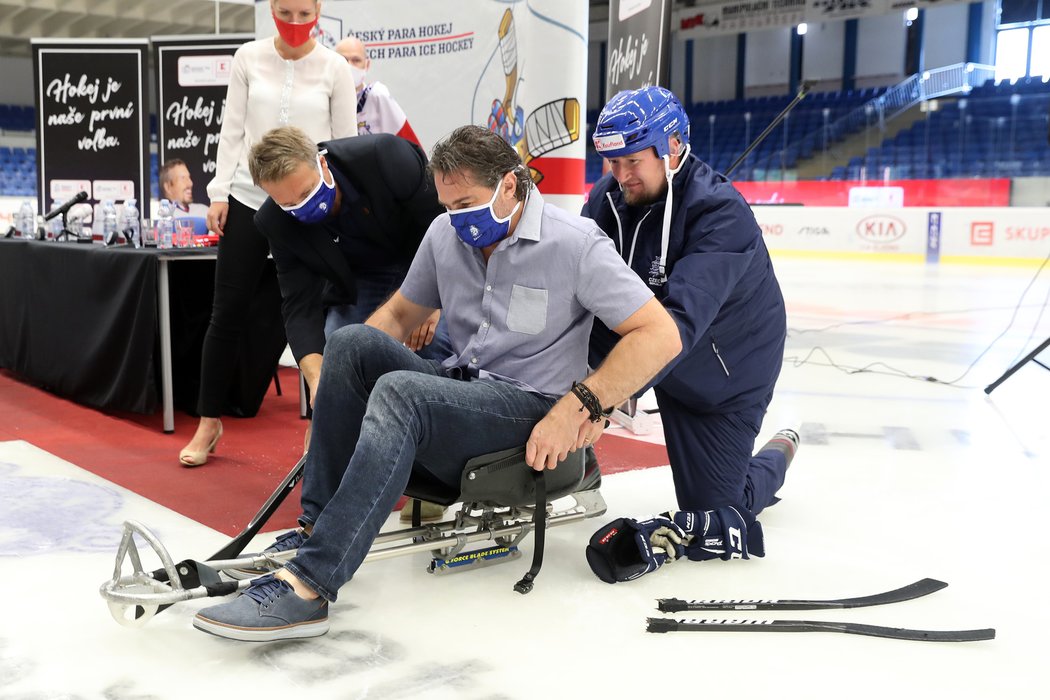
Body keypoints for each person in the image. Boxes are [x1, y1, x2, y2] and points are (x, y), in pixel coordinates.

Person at [192, 124, 683, 642]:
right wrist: (343, 388)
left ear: (510, 186)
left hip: (529, 406)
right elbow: (402, 313)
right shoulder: (445, 233)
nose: (457, 220)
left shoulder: (575, 245)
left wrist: (582, 402)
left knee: (404, 394)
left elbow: (659, 335)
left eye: (467, 204)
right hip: (465, 385)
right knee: (350, 344)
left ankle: (309, 586)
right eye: (447, 206)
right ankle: (317, 526)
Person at [580, 86, 798, 584]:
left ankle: (777, 454)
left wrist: (600, 397)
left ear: (672, 146)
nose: (620, 176)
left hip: (726, 376)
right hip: (652, 351)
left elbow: (676, 325)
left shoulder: (722, 215)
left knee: (719, 509)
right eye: (611, 162)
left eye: (632, 160)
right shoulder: (608, 198)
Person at [178, 0, 357, 468]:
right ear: (272, 8)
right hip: (247, 198)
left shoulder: (335, 68)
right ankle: (208, 420)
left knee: (317, 316)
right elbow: (231, 131)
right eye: (285, 12)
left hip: (309, 206)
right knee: (226, 312)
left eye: (303, 13)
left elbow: (346, 144)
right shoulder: (247, 58)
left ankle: (318, 427)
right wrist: (218, 192)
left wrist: (339, 210)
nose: (294, 23)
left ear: (318, 9)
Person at [334, 35, 420, 145]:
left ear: (367, 64)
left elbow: (408, 144)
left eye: (356, 60)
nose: (349, 66)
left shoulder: (377, 96)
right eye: (343, 60)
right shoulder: (324, 98)